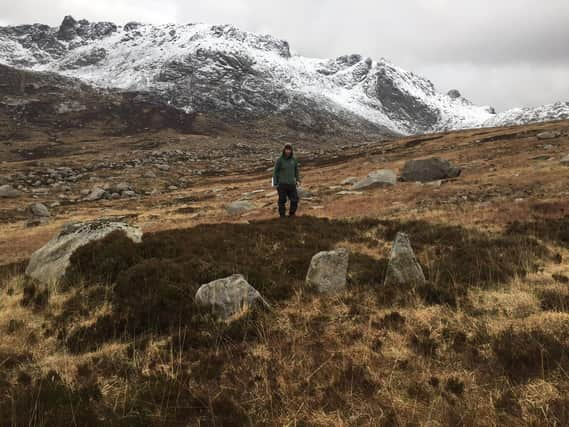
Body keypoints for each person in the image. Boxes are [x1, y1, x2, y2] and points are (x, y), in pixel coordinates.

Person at [272, 143, 300, 217]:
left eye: (289, 149)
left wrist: (298, 180)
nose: (288, 151)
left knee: (295, 199)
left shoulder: (294, 160)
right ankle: (282, 215)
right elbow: (275, 172)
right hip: (282, 184)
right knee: (282, 200)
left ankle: (292, 214)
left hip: (292, 184)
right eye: (286, 149)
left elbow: (296, 171)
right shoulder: (279, 160)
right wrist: (274, 183)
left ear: (291, 151)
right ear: (284, 150)